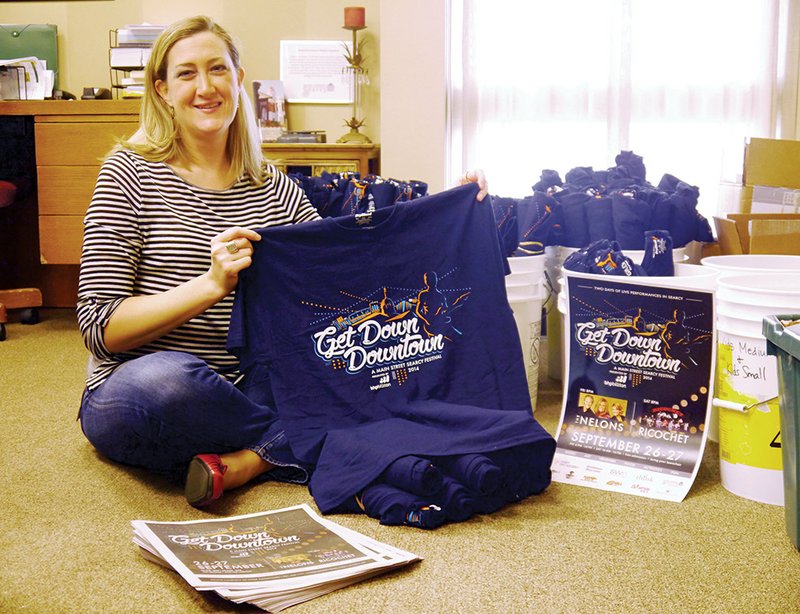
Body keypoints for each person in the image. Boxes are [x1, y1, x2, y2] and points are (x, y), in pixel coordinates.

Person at [76, 15, 489, 508]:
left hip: (253, 386)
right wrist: (209, 286)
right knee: (166, 383)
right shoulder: (128, 174)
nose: (205, 87)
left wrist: (450, 210)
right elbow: (100, 327)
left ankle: (250, 461)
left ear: (238, 79)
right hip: (142, 386)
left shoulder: (275, 190)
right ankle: (337, 437)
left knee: (362, 357)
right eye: (187, 74)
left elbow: (354, 271)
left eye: (217, 69)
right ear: (162, 90)